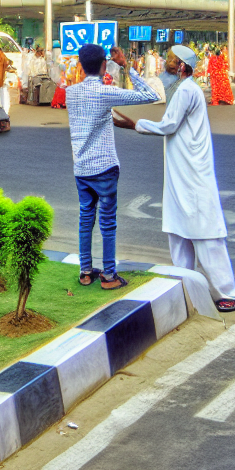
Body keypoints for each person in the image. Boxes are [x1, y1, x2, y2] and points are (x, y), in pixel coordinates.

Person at [113, 45, 235, 312]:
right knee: (178, 231)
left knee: (204, 234)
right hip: (180, 170)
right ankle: (185, 285)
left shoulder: (186, 90)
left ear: (183, 67)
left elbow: (168, 125)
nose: (167, 64)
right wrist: (126, 66)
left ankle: (227, 292)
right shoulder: (179, 87)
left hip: (193, 173)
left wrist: (133, 124)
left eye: (172, 62)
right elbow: (151, 92)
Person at [65, 44, 160, 289]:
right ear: (104, 65)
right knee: (107, 222)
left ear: (80, 65)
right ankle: (109, 275)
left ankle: (85, 271)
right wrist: (127, 67)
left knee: (86, 218)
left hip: (81, 168)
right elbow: (150, 95)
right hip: (104, 167)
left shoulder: (70, 92)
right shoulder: (104, 92)